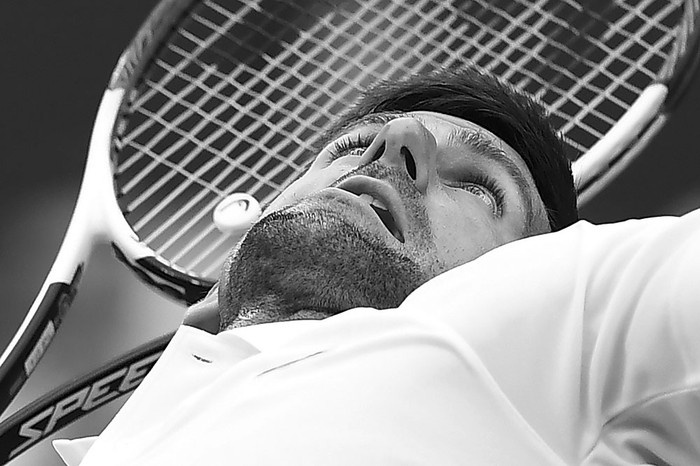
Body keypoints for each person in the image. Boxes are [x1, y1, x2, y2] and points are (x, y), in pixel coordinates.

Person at [54, 67, 699, 465]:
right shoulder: (119, 444)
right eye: (352, 145)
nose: (395, 145)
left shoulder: (549, 314)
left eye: (478, 185)